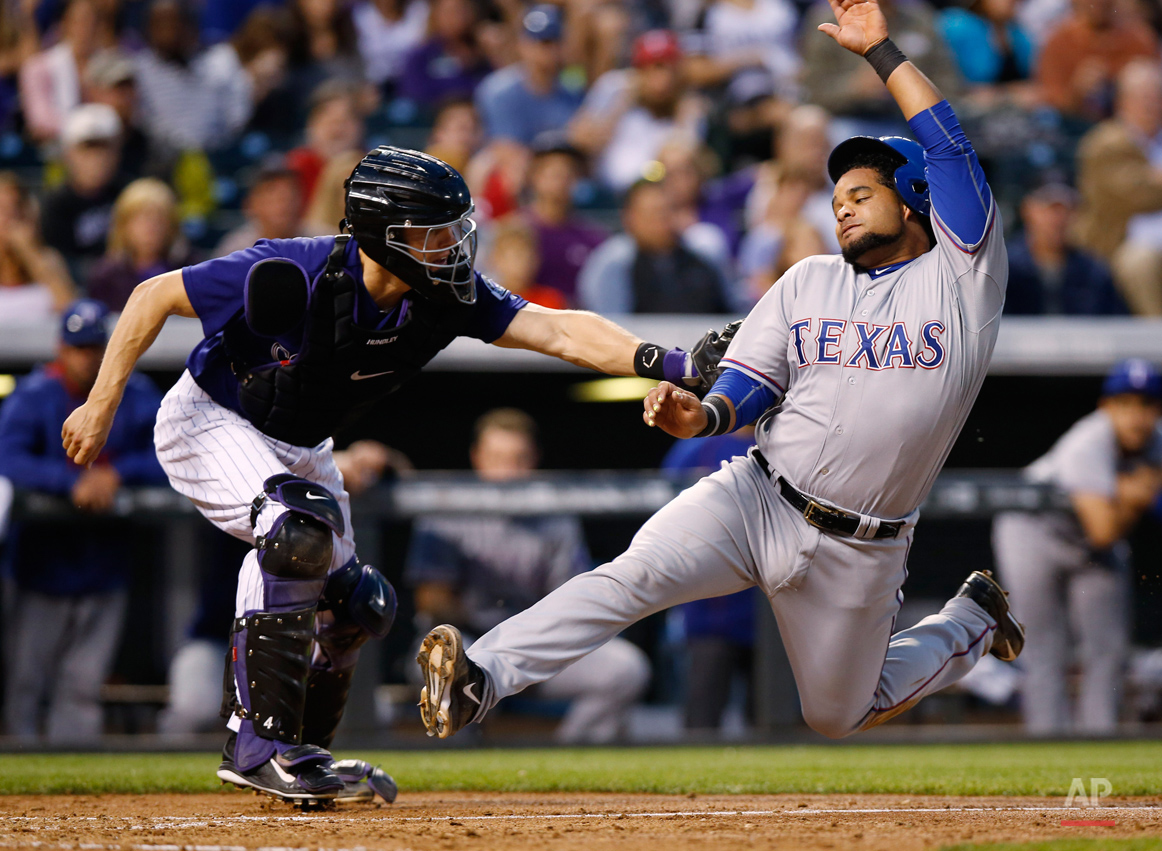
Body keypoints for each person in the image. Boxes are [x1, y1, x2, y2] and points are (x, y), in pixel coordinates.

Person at [414, 0, 1026, 744]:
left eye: (862, 193)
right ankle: (482, 674)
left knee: (837, 713)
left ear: (915, 201)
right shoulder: (807, 279)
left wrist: (881, 52)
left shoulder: (963, 276)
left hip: (863, 546)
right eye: (836, 199)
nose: (842, 208)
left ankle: (970, 621)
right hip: (757, 497)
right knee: (632, 573)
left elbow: (952, 147)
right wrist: (701, 416)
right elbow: (751, 382)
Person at [60, 146, 722, 803]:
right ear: (386, 234)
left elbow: (559, 332)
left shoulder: (445, 296)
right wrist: (99, 402)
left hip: (300, 443)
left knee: (360, 606)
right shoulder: (296, 267)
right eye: (435, 232)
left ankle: (301, 757)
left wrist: (666, 361)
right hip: (211, 418)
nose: (453, 244)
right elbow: (152, 295)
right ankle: (256, 746)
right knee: (295, 531)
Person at [405, 409, 650, 743]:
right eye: (497, 458)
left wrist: (523, 640)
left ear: (534, 459)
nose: (508, 470)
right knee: (445, 670)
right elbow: (432, 599)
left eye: (518, 459)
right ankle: (459, 775)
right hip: (469, 642)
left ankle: (566, 762)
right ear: (477, 457)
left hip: (535, 645)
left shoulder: (554, 517)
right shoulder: (446, 509)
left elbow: (573, 599)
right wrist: (496, 638)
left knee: (625, 668)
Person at [0, 299, 166, 742]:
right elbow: (7, 456)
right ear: (60, 348)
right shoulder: (34, 394)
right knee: (27, 685)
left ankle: (69, 801)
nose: (88, 357)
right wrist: (68, 481)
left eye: (96, 347)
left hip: (105, 564)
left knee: (81, 688)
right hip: (40, 565)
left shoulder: (135, 393)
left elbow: (171, 451)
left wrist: (117, 473)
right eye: (79, 347)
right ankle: (24, 787)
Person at [993, 360, 1162, 734]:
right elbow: (1103, 529)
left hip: (1087, 542)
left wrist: (1132, 497)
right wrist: (1133, 498)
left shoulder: (1157, 442)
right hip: (1032, 529)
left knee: (1109, 648)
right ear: (1107, 407)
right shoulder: (1088, 441)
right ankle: (1047, 743)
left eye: (1146, 405)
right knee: (1043, 648)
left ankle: (1099, 742)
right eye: (1126, 403)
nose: (1136, 416)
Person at [1075, 60, 1162, 316]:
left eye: (1156, 96)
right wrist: (1149, 182)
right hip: (1118, 244)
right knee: (1139, 262)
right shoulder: (1104, 143)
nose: (1151, 104)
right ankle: (1157, 341)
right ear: (1122, 101)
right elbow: (1137, 195)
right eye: (1143, 97)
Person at [577, 178, 732, 314]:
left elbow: (730, 310)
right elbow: (609, 325)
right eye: (652, 213)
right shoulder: (615, 263)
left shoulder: (704, 257)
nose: (661, 221)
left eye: (667, 211)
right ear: (630, 218)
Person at [1004, 182, 1126, 315]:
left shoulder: (1093, 272)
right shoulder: (1006, 268)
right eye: (1049, 209)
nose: (1058, 219)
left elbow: (1114, 322)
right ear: (1027, 210)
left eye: (1068, 209)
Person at [474, 5, 583, 146]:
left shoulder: (572, 91)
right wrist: (569, 138)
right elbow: (506, 151)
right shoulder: (498, 91)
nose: (550, 50)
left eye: (555, 41)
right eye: (542, 43)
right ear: (522, 44)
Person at [40, 103, 128, 273]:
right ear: (68, 154)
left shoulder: (130, 194)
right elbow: (58, 262)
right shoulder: (55, 204)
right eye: (87, 150)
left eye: (104, 149)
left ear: (117, 153)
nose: (97, 159)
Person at [1036, 0, 1156, 122]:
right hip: (1073, 128)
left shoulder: (1139, 40)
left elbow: (1154, 94)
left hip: (1128, 127)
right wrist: (1076, 92)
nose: (1098, 3)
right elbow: (1049, 98)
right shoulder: (1059, 42)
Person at [88, 178, 196, 312]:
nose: (150, 228)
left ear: (172, 226)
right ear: (123, 226)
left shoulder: (190, 271)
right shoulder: (106, 276)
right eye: (140, 219)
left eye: (158, 220)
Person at [0, 172, 77, 318]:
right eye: (3, 209)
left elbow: (70, 311)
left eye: (16, 208)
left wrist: (29, 252)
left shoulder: (48, 258)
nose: (11, 217)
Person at [215, 158, 309, 257]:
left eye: (290, 197)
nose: (284, 206)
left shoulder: (320, 242)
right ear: (251, 204)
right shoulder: (236, 250)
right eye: (273, 199)